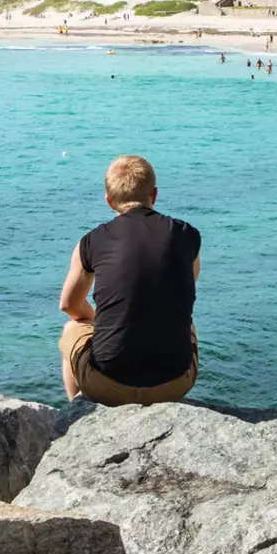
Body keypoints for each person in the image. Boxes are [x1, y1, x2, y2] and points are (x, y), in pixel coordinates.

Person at [57, 155, 202, 406]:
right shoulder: (186, 235)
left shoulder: (92, 242)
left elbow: (69, 306)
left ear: (109, 201)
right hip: (175, 383)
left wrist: (96, 323)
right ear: (154, 194)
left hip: (108, 387)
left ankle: (77, 411)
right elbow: (183, 290)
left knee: (71, 329)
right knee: (187, 323)